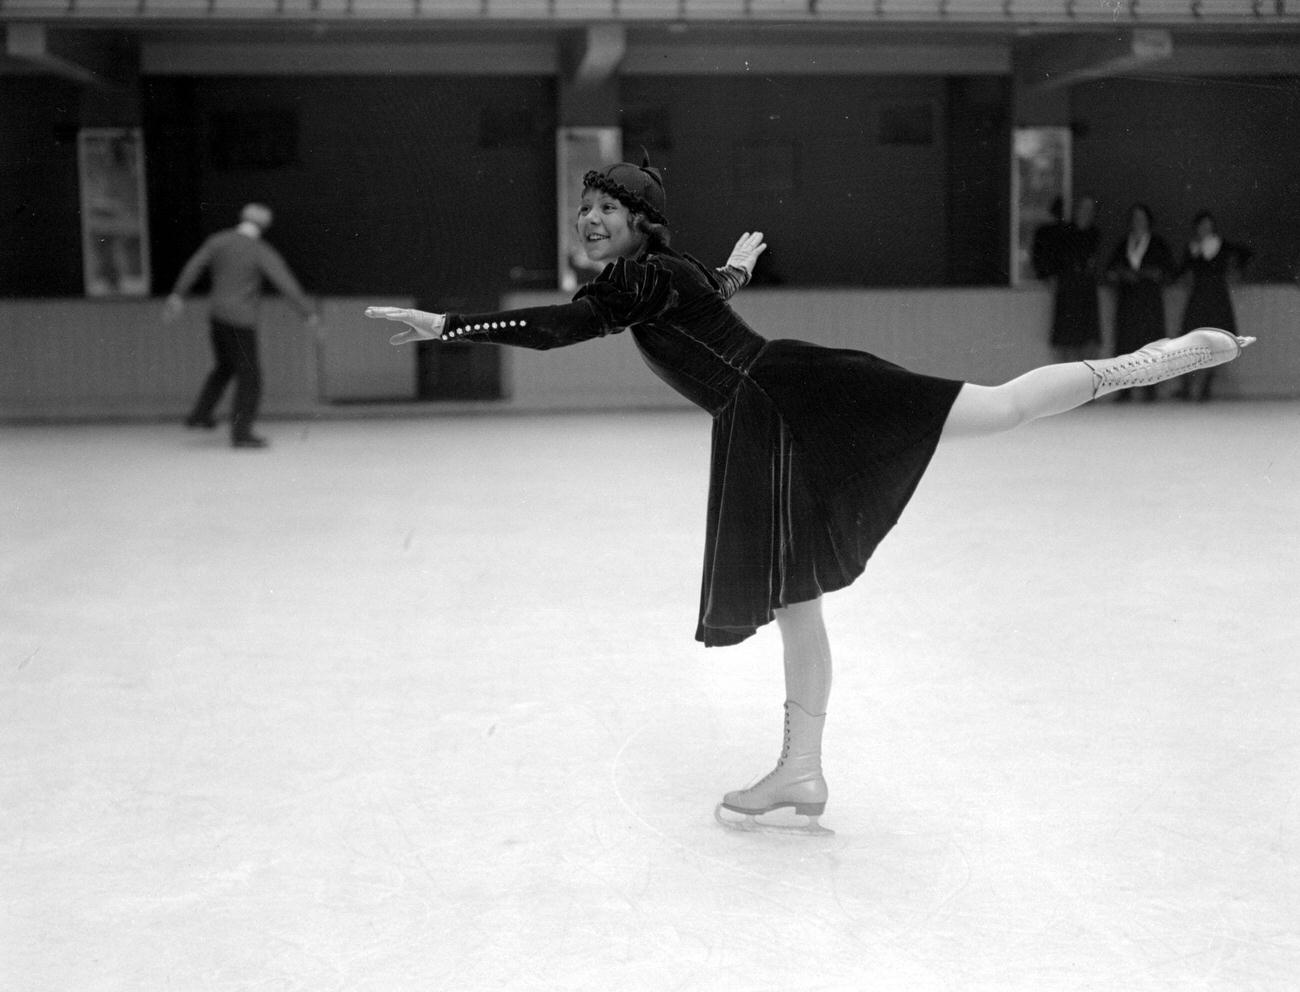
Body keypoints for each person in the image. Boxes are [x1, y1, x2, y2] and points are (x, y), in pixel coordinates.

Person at [365, 158, 1253, 835]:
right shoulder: (659, 275)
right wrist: (738, 272)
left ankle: (1141, 362)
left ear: (640, 226)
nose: (589, 219)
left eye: (607, 211)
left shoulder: (634, 281)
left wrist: (450, 325)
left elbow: (564, 327)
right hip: (766, 415)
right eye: (585, 208)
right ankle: (801, 769)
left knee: (992, 410)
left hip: (782, 398)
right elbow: (704, 292)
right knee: (798, 595)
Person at [163, 203, 319, 449]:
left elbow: (194, 266)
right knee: (250, 376)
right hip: (241, 320)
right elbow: (284, 281)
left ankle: (201, 414)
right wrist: (307, 313)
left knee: (225, 366)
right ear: (264, 225)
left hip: (217, 316)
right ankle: (241, 432)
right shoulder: (259, 250)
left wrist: (178, 295)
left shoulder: (218, 241)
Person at [1175, 211, 1253, 402]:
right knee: (1192, 341)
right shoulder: (1192, 247)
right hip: (1199, 296)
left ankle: (1205, 387)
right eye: (1202, 226)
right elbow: (1182, 270)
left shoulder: (1223, 245)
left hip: (1217, 296)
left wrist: (1236, 272)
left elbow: (1246, 254)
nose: (1205, 229)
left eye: (1208, 225)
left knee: (1214, 344)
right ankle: (1188, 386)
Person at [1104, 203, 1177, 403]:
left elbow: (1169, 271)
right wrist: (1122, 274)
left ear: (1148, 220)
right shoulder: (1123, 244)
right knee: (1126, 344)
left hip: (1149, 302)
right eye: (1134, 217)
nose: (1138, 221)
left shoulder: (1158, 244)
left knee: (1150, 344)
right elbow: (1110, 269)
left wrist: (1151, 274)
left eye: (1141, 217)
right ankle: (1124, 389)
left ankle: (1150, 388)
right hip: (1128, 301)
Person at [1036, 195, 1102, 364]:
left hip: (1086, 290)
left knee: (1088, 339)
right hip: (1068, 288)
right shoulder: (1064, 233)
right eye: (1082, 208)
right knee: (1066, 338)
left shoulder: (1095, 234)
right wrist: (1049, 276)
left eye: (1089, 210)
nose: (1085, 213)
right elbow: (1048, 257)